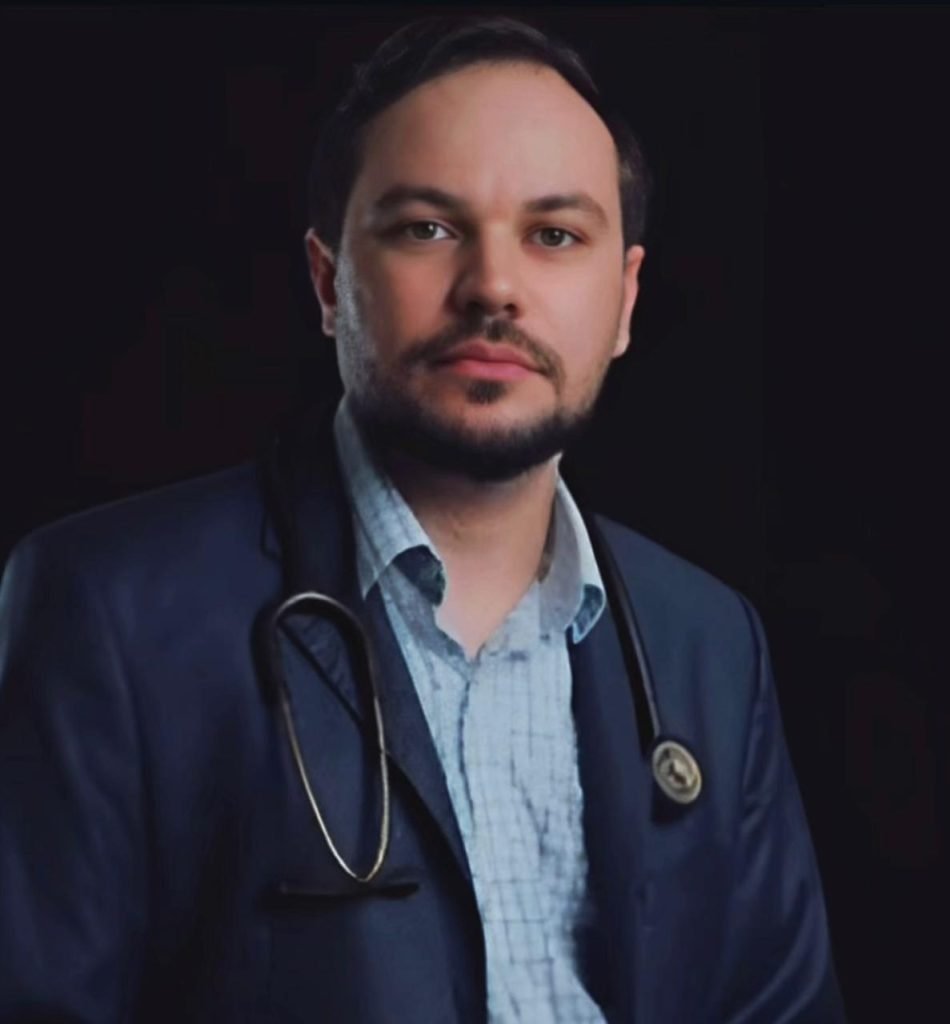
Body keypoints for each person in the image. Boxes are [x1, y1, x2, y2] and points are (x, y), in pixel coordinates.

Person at [0, 15, 845, 1023]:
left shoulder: (708, 645)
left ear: (624, 301)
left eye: (554, 235)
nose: (493, 287)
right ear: (328, 282)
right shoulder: (110, 614)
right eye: (426, 229)